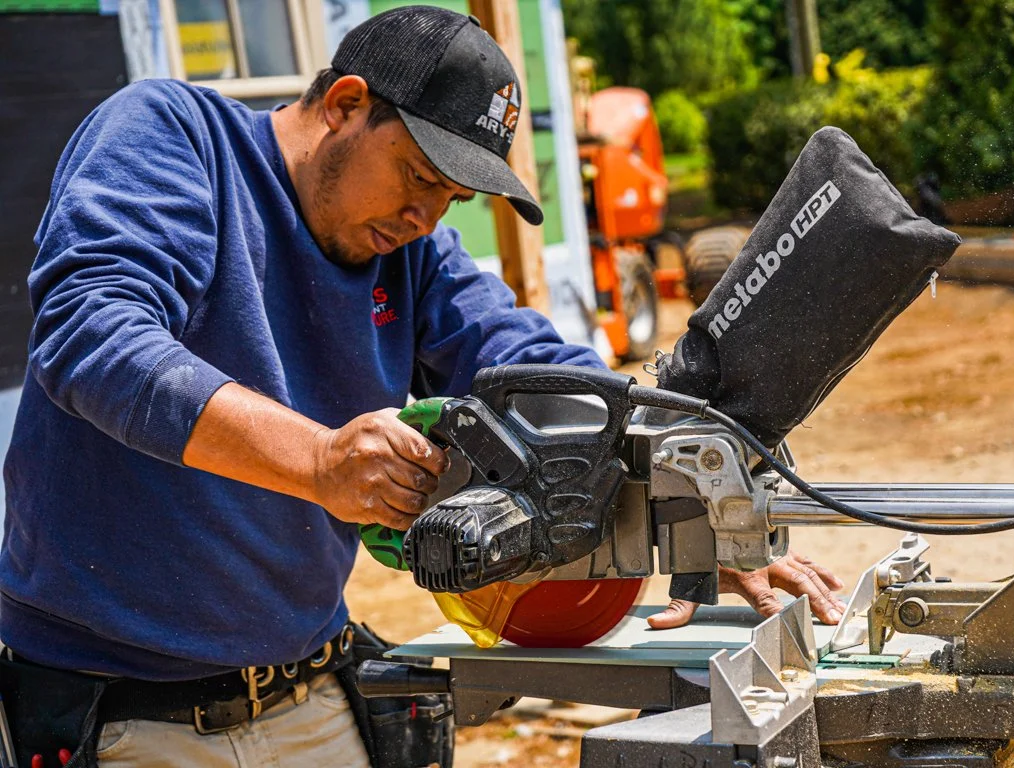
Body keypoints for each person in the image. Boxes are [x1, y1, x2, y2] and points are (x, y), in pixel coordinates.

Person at [0, 5, 845, 766]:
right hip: (123, 718)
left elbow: (530, 368)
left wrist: (698, 502)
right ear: (344, 105)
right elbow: (92, 339)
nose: (428, 218)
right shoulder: (174, 137)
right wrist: (322, 461)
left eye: (453, 196)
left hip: (312, 696)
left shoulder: (405, 249)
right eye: (420, 178)